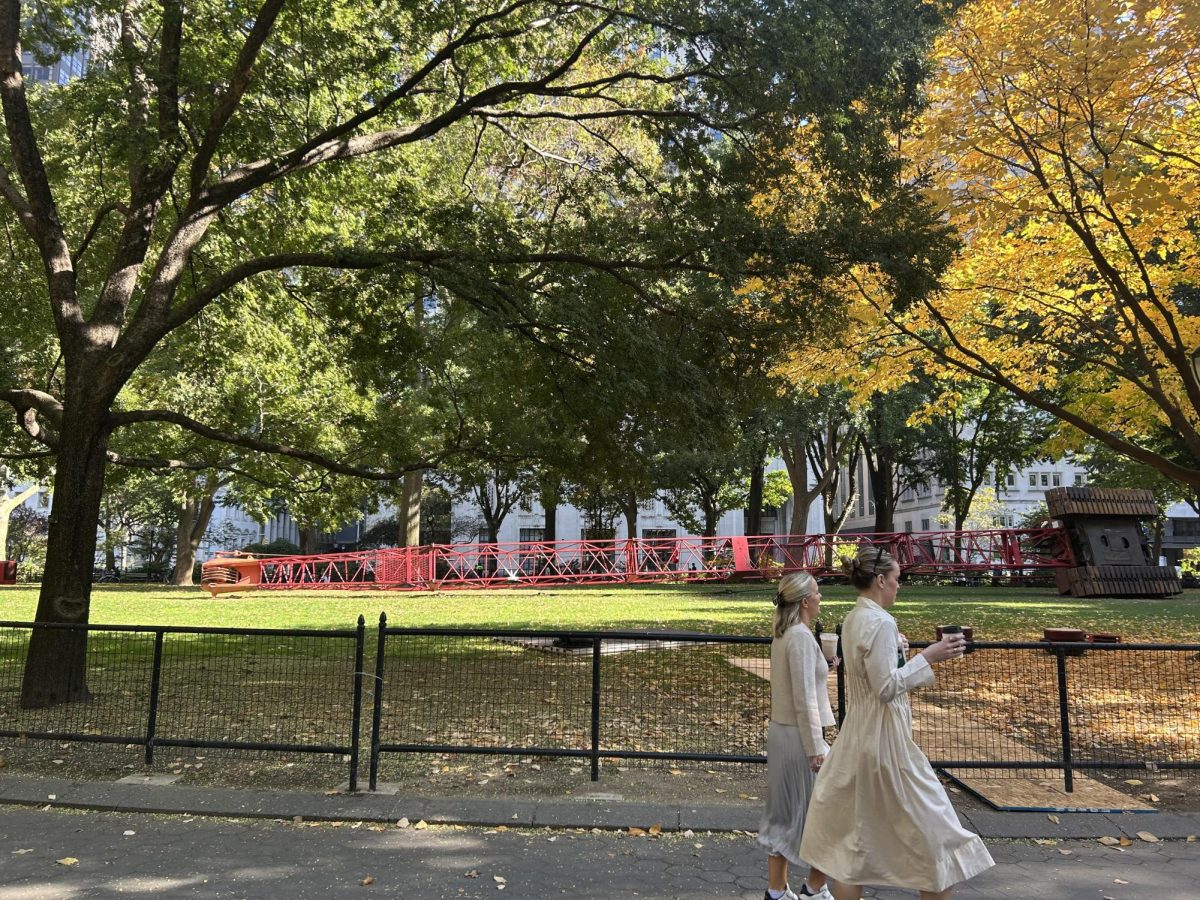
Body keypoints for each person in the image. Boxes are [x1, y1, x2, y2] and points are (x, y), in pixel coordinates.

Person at [799, 547, 994, 900]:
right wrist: (927, 656)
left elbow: (870, 669)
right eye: (897, 580)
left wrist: (900, 651)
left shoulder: (856, 617)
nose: (899, 586)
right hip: (886, 742)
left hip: (857, 737)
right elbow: (886, 687)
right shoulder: (880, 622)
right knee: (937, 837)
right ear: (880, 580)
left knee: (854, 844)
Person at [758, 572, 837, 900]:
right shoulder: (802, 637)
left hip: (781, 733)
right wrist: (814, 746)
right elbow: (804, 698)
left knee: (784, 814)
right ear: (804, 601)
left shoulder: (783, 634)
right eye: (817, 593)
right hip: (800, 738)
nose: (820, 598)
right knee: (828, 811)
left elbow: (800, 683)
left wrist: (825, 667)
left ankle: (776, 891)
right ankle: (815, 888)